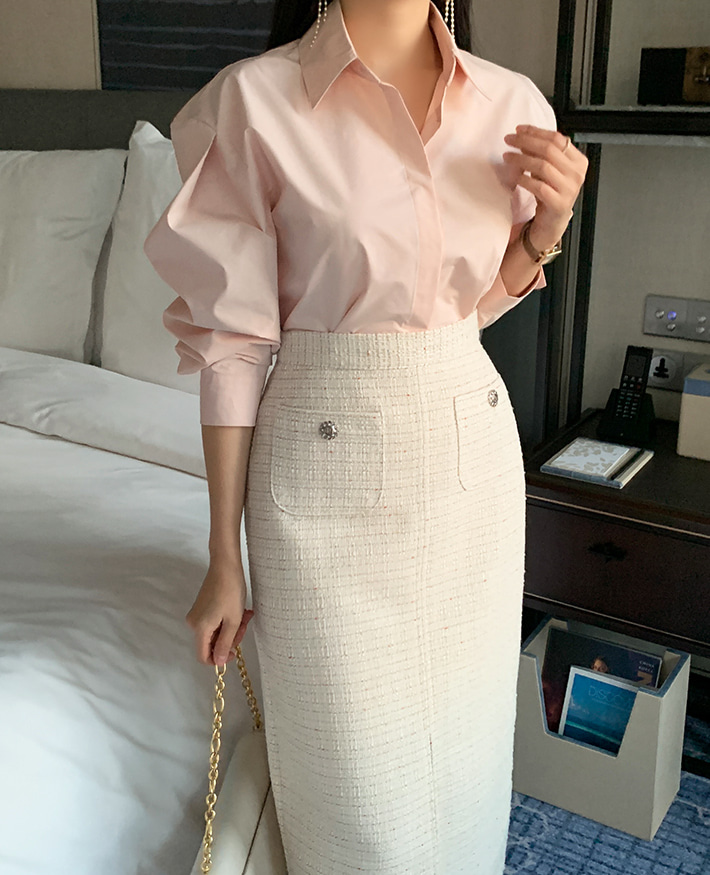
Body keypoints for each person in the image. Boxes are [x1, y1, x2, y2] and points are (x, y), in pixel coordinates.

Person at [143, 1, 588, 871]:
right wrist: (224, 554)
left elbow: (466, 311)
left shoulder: (511, 103)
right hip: (322, 475)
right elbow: (235, 343)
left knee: (465, 770)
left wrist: (545, 233)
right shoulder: (253, 101)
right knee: (352, 797)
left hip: (472, 470)